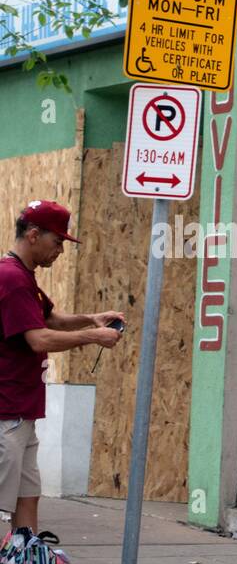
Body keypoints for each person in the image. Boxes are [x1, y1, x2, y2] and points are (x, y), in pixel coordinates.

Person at [1, 201, 122, 532]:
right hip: (6, 413)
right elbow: (38, 338)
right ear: (34, 234)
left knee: (27, 497)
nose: (60, 252)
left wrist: (91, 319)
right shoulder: (11, 278)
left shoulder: (24, 278)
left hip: (21, 412)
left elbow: (49, 318)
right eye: (58, 242)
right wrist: (93, 336)